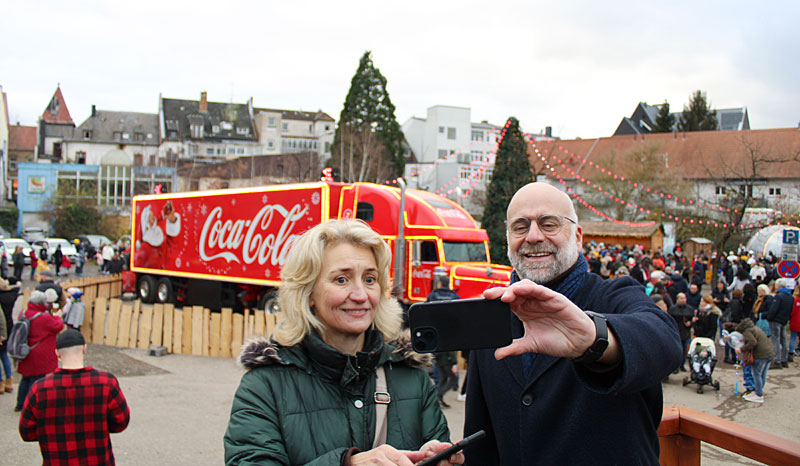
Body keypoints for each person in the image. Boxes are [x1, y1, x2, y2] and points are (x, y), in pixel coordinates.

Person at [463, 183, 682, 465]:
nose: (533, 236)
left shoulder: (614, 295)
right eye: (520, 227)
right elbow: (482, 441)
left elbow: (665, 343)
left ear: (577, 237)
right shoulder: (492, 317)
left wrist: (595, 340)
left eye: (549, 224)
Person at [224, 219, 463, 466]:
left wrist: (434, 459)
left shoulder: (411, 378)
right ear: (308, 294)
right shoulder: (264, 386)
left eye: (370, 279)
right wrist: (348, 464)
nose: (360, 295)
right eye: (341, 280)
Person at [19, 329, 130, 464]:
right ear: (84, 349)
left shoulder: (40, 388)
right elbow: (121, 422)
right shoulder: (106, 382)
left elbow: (26, 431)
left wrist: (50, 432)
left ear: (57, 353)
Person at [14, 290, 65, 412]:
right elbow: (58, 326)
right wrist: (58, 317)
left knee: (25, 378)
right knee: (36, 380)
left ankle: (20, 403)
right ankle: (30, 405)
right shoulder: (44, 317)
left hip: (25, 350)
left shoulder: (24, 313)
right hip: (40, 353)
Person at [426, 274, 461, 409]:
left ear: (440, 284)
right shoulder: (454, 296)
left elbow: (426, 311)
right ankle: (438, 396)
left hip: (436, 337)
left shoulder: (433, 295)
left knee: (440, 370)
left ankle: (436, 396)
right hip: (450, 337)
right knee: (449, 374)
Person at [733, 318, 775, 403]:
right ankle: (758, 391)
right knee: (762, 374)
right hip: (769, 353)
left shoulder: (746, 331)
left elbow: (752, 342)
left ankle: (758, 395)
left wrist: (741, 349)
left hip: (761, 355)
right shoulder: (755, 328)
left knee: (756, 374)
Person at [765, 278, 793, 369]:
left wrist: (769, 317)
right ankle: (784, 359)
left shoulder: (778, 296)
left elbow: (774, 309)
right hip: (784, 320)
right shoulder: (790, 296)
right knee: (783, 339)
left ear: (778, 286)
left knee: (775, 340)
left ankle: (777, 360)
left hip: (776, 320)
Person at [0, 276, 21, 395]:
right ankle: (9, 381)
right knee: (4, 356)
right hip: (8, 326)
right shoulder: (11, 296)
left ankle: (1, 383)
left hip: (1, 328)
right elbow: (17, 287)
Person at [668, 293, 694, 372]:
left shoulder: (689, 309)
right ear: (677, 299)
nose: (683, 300)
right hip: (676, 331)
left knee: (684, 350)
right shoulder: (673, 309)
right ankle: (675, 366)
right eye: (681, 298)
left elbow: (693, 319)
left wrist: (690, 323)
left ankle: (682, 365)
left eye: (684, 298)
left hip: (685, 332)